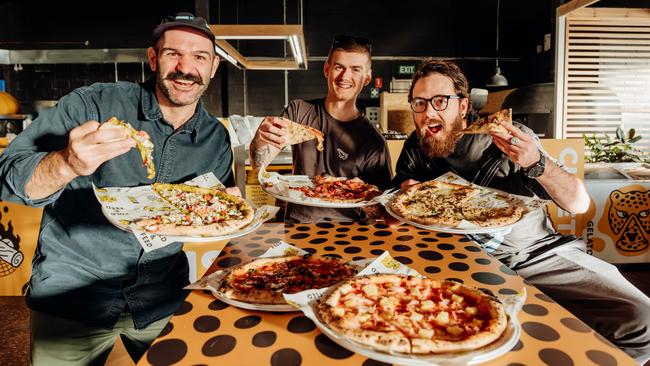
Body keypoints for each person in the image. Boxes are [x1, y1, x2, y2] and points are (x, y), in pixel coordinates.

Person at [0, 13, 233, 365]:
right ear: (154, 58)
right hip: (74, 297)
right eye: (174, 54)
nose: (186, 68)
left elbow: (205, 211)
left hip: (162, 298)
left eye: (199, 57)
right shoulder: (92, 104)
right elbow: (7, 175)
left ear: (214, 66)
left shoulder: (215, 138)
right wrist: (67, 163)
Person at [392, 58, 650, 363]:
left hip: (536, 257)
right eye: (419, 103)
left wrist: (536, 163)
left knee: (641, 318)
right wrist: (404, 194)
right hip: (457, 261)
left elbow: (580, 204)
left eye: (439, 101)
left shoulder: (508, 137)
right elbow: (397, 213)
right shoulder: (416, 146)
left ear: (463, 107)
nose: (428, 113)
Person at [249, 35, 392, 223]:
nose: (345, 77)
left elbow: (381, 212)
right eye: (339, 67)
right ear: (327, 69)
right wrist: (260, 140)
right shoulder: (298, 111)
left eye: (355, 69)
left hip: (349, 233)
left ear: (367, 77)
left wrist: (360, 193)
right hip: (296, 228)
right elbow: (259, 165)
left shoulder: (374, 141)